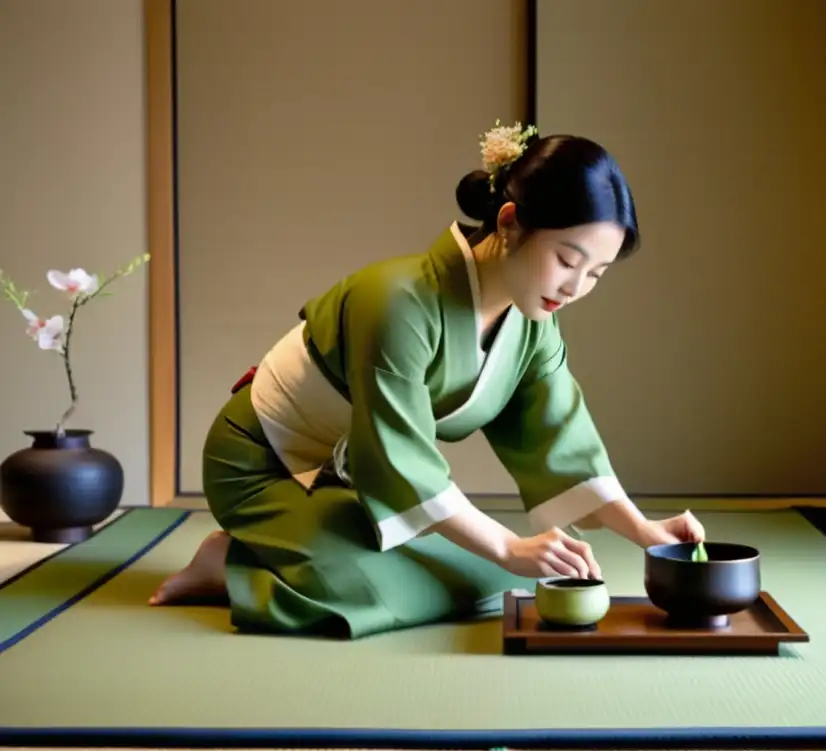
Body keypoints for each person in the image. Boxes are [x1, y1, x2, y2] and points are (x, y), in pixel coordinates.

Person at [148, 121, 705, 639]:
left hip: (350, 482)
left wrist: (645, 533)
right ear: (510, 222)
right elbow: (399, 457)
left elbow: (560, 437)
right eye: (567, 259)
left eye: (596, 274)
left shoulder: (533, 324)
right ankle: (229, 564)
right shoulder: (396, 301)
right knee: (390, 586)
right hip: (262, 464)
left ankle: (298, 543)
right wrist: (508, 545)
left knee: (488, 581)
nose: (576, 286)